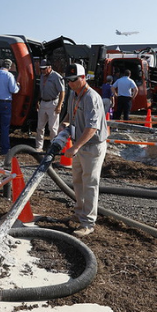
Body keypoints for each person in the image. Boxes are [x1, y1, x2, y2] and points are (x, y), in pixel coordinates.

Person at [59, 63, 108, 238]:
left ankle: (88, 223)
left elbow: (92, 128)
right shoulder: (74, 94)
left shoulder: (91, 98)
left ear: (83, 78)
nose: (71, 83)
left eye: (74, 80)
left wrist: (75, 147)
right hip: (79, 145)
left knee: (90, 183)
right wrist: (64, 124)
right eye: (69, 80)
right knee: (78, 181)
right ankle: (80, 213)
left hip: (92, 146)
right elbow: (69, 115)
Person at [35, 59, 65, 151]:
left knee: (53, 127)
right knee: (40, 126)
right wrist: (37, 101)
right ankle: (39, 146)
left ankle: (53, 146)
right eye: (41, 69)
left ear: (49, 67)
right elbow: (41, 90)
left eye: (44, 69)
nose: (43, 71)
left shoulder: (56, 77)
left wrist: (59, 105)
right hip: (43, 102)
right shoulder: (42, 76)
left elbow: (62, 92)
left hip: (53, 102)